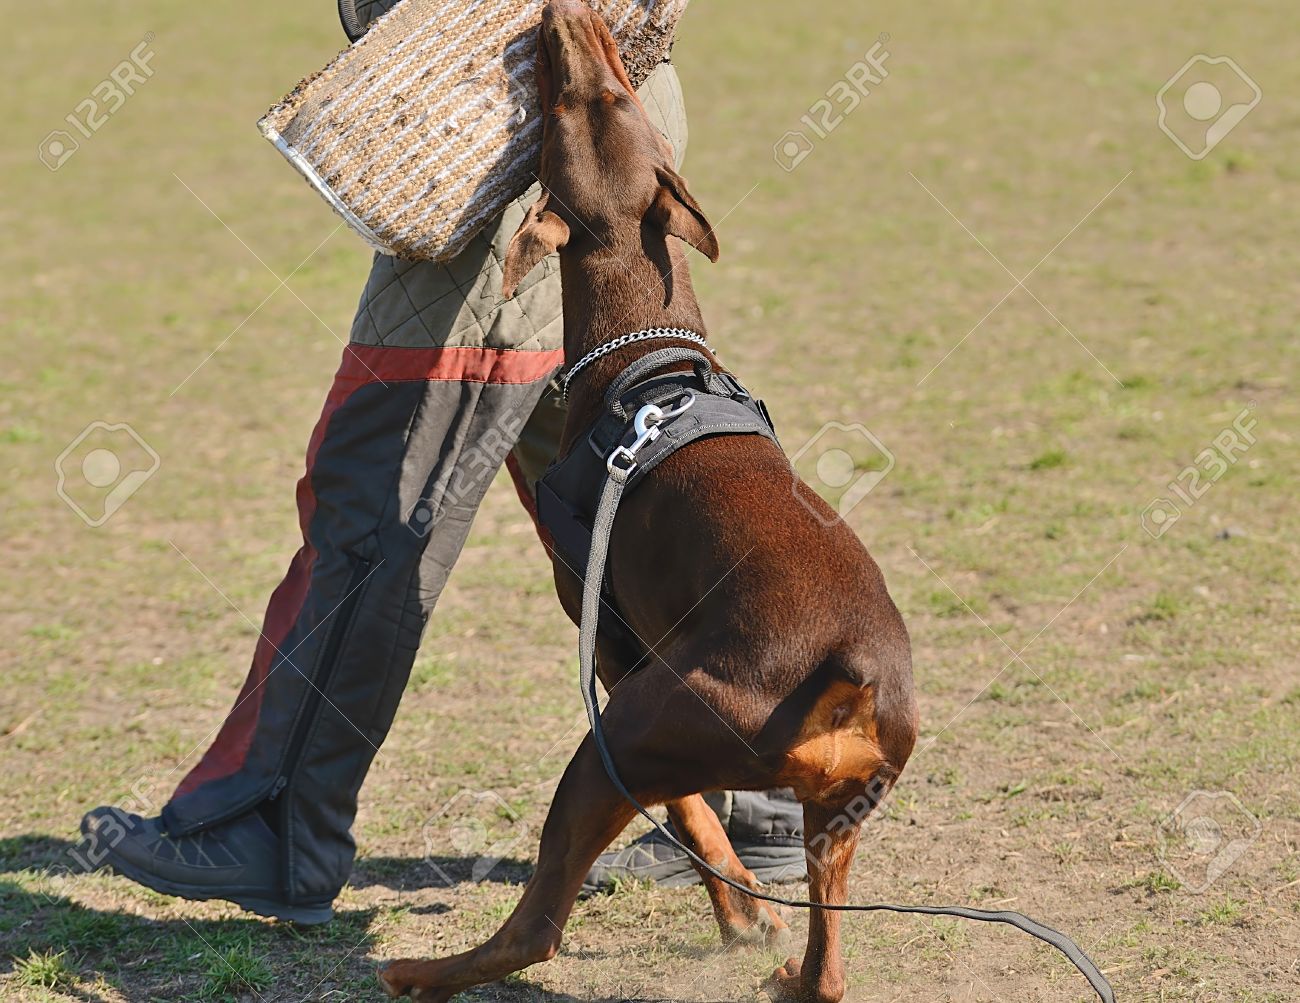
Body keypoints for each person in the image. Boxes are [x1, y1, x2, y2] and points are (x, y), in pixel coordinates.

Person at [82, 0, 803, 925]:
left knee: (384, 484)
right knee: (608, 501)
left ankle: (274, 826)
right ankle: (756, 791)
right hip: (591, 114)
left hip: (503, 140)